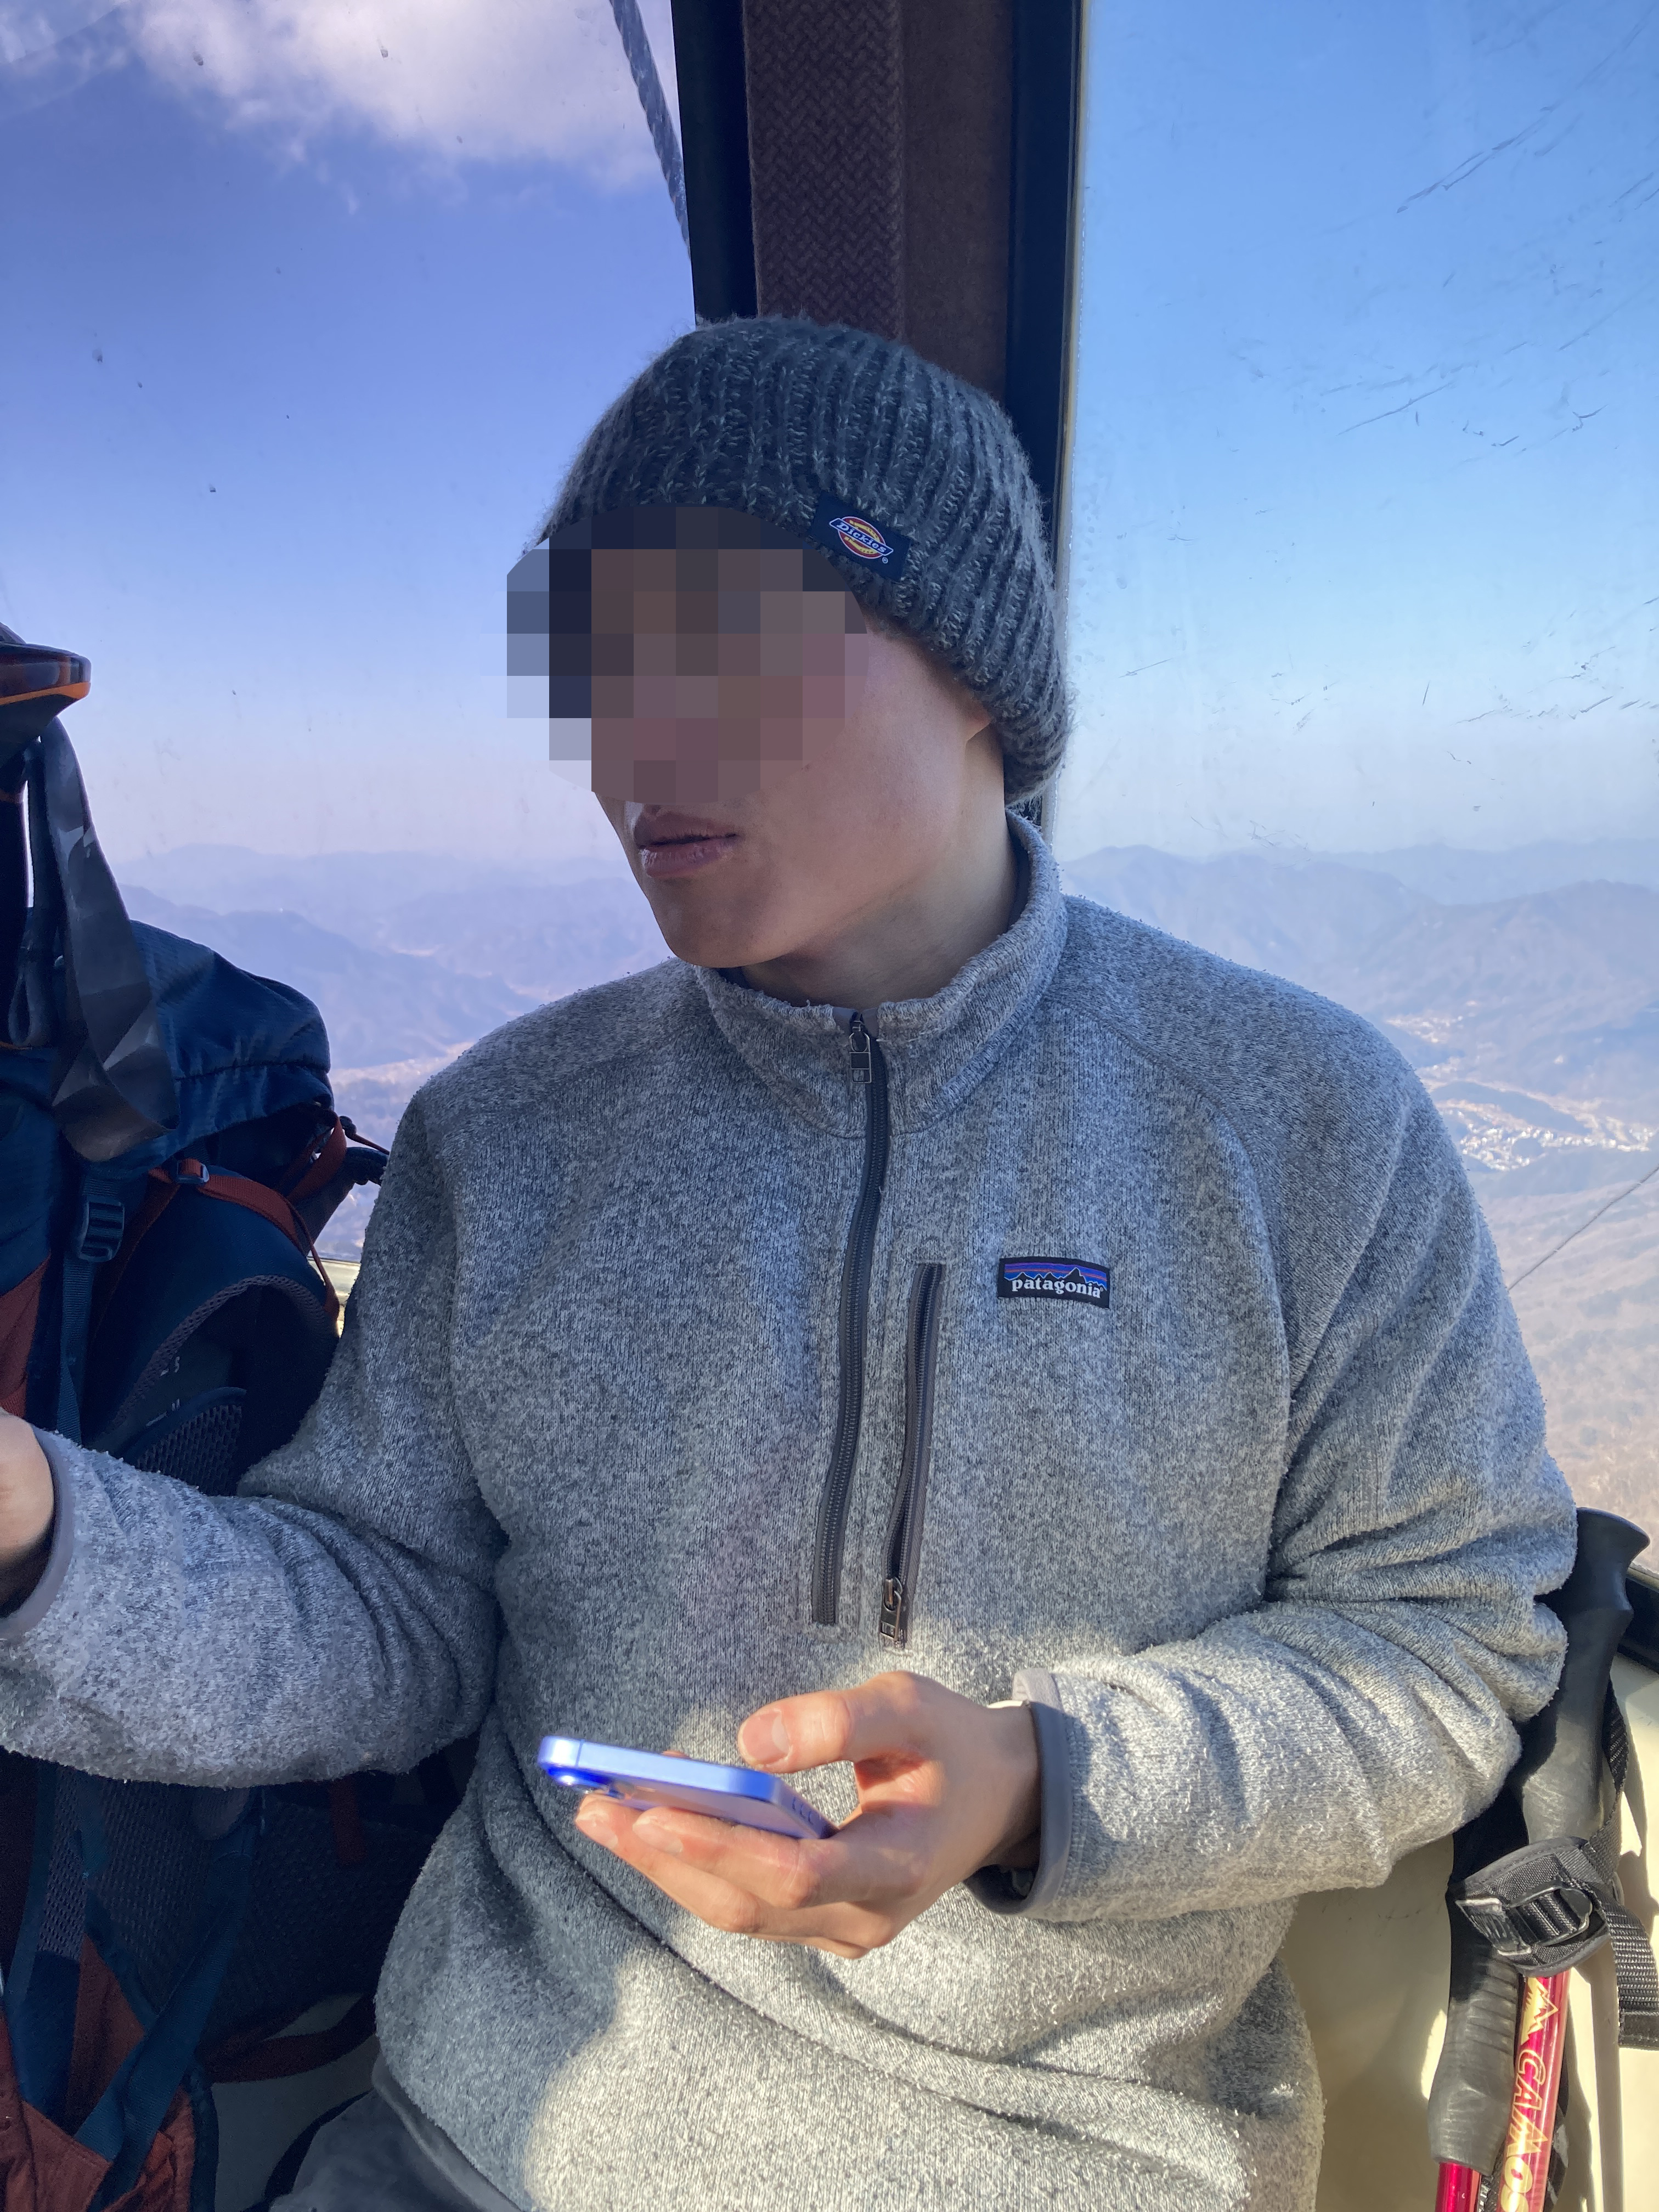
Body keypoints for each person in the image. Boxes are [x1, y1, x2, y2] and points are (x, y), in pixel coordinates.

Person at [0, 318, 1576, 2211]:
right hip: (476, 2146)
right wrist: (34, 1541)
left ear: (974, 669)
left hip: (1065, 2166)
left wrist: (1045, 1778)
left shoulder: (1301, 1122)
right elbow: (387, 1613)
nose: (634, 746)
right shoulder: (510, 1131)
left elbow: (1444, 1637)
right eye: (594, 667)